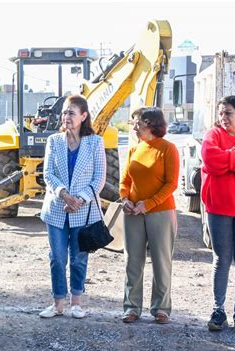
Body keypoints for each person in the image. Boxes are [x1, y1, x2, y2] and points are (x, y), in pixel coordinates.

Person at [39, 95, 106, 319]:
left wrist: (79, 200)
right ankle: (58, 303)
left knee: (78, 257)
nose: (66, 116)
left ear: (84, 116)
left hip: (83, 210)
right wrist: (64, 195)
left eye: (71, 112)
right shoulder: (54, 141)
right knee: (57, 258)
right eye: (65, 112)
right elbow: (48, 173)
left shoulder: (95, 142)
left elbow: (99, 178)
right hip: (57, 208)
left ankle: (76, 302)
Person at [120, 107, 179, 324]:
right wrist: (125, 199)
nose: (134, 127)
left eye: (137, 123)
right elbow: (125, 181)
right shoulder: (134, 149)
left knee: (161, 261)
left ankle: (161, 309)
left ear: (150, 124)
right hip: (132, 212)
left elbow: (171, 184)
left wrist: (149, 203)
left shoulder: (168, 149)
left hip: (161, 213)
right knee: (132, 261)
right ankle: (131, 307)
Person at [201, 95, 235, 334]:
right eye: (221, 113)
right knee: (221, 260)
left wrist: (228, 163)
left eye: (228, 113)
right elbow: (209, 159)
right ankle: (218, 310)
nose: (223, 117)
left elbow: (219, 164)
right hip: (218, 208)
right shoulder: (213, 135)